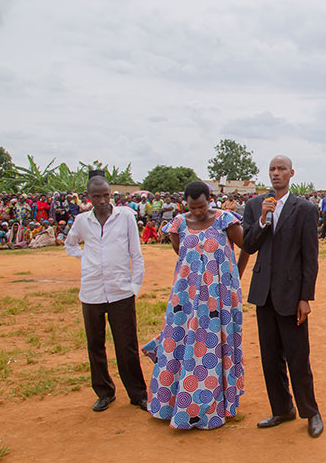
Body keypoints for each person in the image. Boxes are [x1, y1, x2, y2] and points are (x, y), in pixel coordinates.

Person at [141, 181, 245, 429]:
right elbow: (183, 256)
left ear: (210, 200)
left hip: (219, 298)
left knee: (211, 346)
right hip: (184, 297)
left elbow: (248, 246)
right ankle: (173, 403)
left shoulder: (225, 220)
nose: (197, 212)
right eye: (192, 207)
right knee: (179, 340)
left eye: (201, 206)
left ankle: (210, 406)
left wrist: (235, 275)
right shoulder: (177, 224)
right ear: (185, 204)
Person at [242, 155, 323, 438]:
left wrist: (305, 298)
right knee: (269, 357)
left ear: (291, 173)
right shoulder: (255, 205)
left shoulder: (305, 209)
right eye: (272, 169)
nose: (276, 173)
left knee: (298, 357)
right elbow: (249, 245)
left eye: (281, 169)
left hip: (291, 294)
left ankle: (310, 412)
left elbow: (310, 257)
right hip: (263, 293)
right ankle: (282, 409)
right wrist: (263, 220)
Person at [64, 176, 148, 412]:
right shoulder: (82, 221)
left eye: (105, 195)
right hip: (91, 292)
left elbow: (136, 253)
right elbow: (70, 244)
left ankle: (138, 394)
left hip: (121, 291)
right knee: (95, 345)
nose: (102, 201)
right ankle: (104, 392)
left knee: (127, 345)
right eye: (96, 197)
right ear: (88, 198)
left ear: (111, 195)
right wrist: (86, 258)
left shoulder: (126, 217)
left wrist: (134, 287)